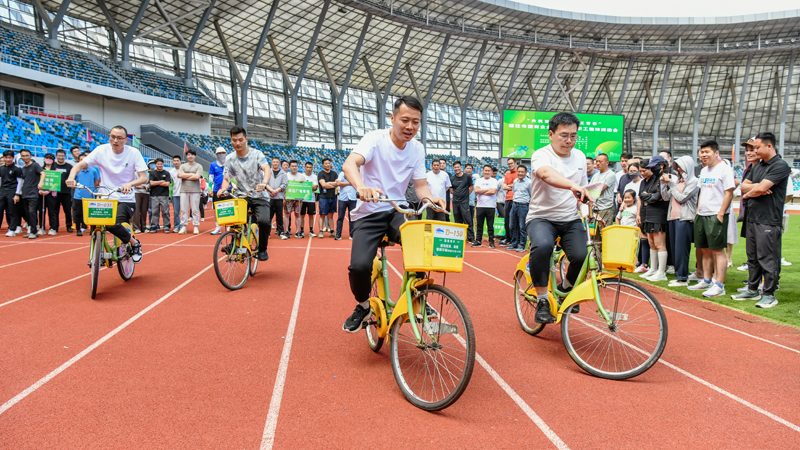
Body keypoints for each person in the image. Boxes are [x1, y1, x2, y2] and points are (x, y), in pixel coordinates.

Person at [340, 95, 445, 333]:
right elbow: (350, 164)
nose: (410, 127)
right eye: (405, 120)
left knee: (418, 243)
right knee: (359, 266)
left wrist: (430, 199)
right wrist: (361, 187)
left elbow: (420, 186)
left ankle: (418, 296)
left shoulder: (417, 149)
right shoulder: (375, 140)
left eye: (416, 122)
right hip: (369, 213)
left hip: (398, 210)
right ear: (393, 118)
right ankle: (363, 305)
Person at [526, 112, 592, 324]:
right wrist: (573, 185)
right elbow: (546, 174)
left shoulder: (580, 156)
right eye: (564, 135)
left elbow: (580, 193)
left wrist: (584, 207)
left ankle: (565, 288)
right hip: (541, 217)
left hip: (570, 218)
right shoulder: (541, 155)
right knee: (543, 246)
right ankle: (543, 300)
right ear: (551, 134)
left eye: (573, 136)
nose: (569, 140)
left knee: (583, 257)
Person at [66, 125, 146, 262]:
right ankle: (97, 251)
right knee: (95, 223)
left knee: (111, 224)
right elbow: (80, 165)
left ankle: (134, 243)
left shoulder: (133, 153)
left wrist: (130, 184)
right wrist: (71, 177)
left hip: (124, 198)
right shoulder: (101, 150)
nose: (115, 140)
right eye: (112, 137)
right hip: (104, 197)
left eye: (119, 138)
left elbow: (143, 177)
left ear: (126, 139)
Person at [732, 132, 791, 309]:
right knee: (753, 257)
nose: (754, 150)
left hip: (768, 219)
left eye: (757, 147)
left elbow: (760, 188)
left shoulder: (780, 165)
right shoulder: (758, 166)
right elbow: (743, 185)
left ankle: (769, 294)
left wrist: (752, 191)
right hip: (752, 218)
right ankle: (752, 288)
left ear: (769, 146)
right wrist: (754, 190)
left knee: (767, 258)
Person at [217, 125, 272, 261]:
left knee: (264, 221)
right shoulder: (229, 159)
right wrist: (223, 188)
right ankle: (233, 243)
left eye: (240, 140)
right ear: (231, 141)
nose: (237, 143)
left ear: (246, 139)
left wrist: (264, 183)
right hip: (242, 196)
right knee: (233, 217)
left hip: (259, 195)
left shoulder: (257, 154)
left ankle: (263, 249)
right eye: (234, 140)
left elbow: (266, 169)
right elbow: (226, 178)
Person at [688, 140, 735, 297]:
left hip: (716, 214)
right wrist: (698, 211)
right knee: (704, 249)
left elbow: (729, 193)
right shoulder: (704, 171)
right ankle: (706, 280)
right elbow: (702, 192)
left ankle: (719, 285)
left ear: (716, 153)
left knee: (717, 250)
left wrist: (721, 213)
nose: (703, 155)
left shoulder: (724, 169)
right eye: (701, 152)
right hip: (702, 214)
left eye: (707, 152)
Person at [664, 156, 699, 287]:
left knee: (682, 248)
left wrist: (671, 185)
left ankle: (683, 277)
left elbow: (681, 198)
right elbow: (666, 197)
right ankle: (679, 275)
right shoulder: (678, 181)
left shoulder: (694, 181)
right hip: (673, 217)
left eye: (681, 166)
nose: (678, 169)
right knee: (674, 248)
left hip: (684, 218)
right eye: (677, 167)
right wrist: (665, 184)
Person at [637, 156, 670, 282]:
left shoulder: (661, 178)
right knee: (651, 242)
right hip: (646, 213)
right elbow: (641, 195)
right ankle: (653, 269)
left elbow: (657, 197)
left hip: (658, 214)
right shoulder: (643, 182)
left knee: (659, 243)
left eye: (645, 170)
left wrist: (648, 196)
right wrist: (648, 197)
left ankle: (661, 271)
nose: (642, 173)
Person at [71, 152, 101, 237]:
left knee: (91, 214)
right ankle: (78, 229)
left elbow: (97, 181)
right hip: (78, 196)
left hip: (90, 196)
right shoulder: (76, 171)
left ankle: (92, 229)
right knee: (78, 213)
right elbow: (73, 182)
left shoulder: (93, 170)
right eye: (81, 160)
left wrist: (91, 189)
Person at [18, 150, 43, 239]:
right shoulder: (23, 168)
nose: (25, 157)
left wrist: (40, 183)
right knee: (27, 213)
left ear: (30, 156)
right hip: (24, 193)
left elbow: (43, 173)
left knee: (32, 212)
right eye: (23, 156)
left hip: (33, 193)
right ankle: (32, 230)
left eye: (27, 155)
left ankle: (34, 231)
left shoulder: (35, 165)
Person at [178, 149, 203, 235]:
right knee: (183, 209)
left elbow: (197, 177)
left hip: (195, 190)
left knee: (195, 209)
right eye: (188, 155)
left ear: (195, 156)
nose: (190, 156)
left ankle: (196, 226)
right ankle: (183, 226)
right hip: (184, 190)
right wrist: (192, 175)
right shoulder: (183, 166)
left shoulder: (199, 166)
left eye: (192, 155)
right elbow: (180, 175)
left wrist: (185, 175)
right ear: (186, 156)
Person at [507, 165, 531, 252]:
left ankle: (521, 245)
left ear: (526, 173)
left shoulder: (529, 182)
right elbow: (514, 191)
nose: (520, 173)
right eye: (519, 172)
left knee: (522, 226)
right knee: (512, 225)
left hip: (523, 205)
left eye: (522, 172)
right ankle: (514, 244)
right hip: (514, 204)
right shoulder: (515, 181)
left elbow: (531, 194)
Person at [472, 165, 497, 248]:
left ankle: (491, 242)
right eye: (485, 170)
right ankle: (478, 241)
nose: (487, 172)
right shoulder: (479, 180)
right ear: (483, 171)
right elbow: (476, 190)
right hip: (480, 206)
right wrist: (487, 189)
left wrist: (481, 190)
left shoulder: (494, 180)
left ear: (491, 172)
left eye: (488, 171)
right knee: (479, 225)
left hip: (490, 207)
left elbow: (493, 191)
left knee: (490, 226)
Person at [449, 160, 474, 242]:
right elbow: (451, 189)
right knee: (457, 220)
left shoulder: (467, 177)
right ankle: (459, 237)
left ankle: (470, 238)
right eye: (455, 167)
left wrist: (466, 195)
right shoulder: (452, 178)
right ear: (453, 168)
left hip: (464, 202)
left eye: (458, 167)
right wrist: (457, 194)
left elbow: (471, 187)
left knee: (468, 220)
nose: (457, 168)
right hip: (455, 202)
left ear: (461, 167)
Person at [51, 149, 74, 233]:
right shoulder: (53, 166)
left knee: (68, 210)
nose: (61, 157)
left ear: (65, 156)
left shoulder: (69, 166)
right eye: (59, 156)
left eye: (62, 156)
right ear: (56, 156)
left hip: (66, 192)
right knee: (55, 210)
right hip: (55, 192)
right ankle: (55, 226)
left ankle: (69, 226)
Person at [281, 160, 306, 239]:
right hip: (288, 198)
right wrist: (283, 198)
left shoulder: (302, 176)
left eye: (295, 166)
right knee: (287, 214)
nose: (294, 167)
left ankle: (298, 231)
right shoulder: (286, 175)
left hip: (298, 198)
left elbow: (305, 187)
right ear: (289, 167)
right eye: (292, 166)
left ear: (297, 167)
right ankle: (287, 231)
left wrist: (303, 183)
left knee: (297, 215)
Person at [1, 150, 23, 236]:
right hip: (2, 191)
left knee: (12, 211)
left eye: (9, 157)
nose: (8, 159)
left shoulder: (17, 169)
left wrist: (17, 194)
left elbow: (20, 182)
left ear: (13, 158)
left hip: (12, 191)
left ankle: (12, 229)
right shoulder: (1, 168)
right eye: (6, 158)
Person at [147, 158, 171, 233]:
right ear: (155, 164)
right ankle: (154, 226)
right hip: (154, 195)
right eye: (158, 164)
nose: (159, 165)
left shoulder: (167, 173)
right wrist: (161, 181)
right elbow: (151, 183)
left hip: (164, 195)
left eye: (161, 164)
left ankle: (166, 226)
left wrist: (156, 183)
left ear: (163, 164)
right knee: (154, 211)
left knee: (165, 211)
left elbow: (167, 184)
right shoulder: (152, 173)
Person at [592, 153, 617, 229]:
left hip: (605, 208)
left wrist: (595, 190)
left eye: (600, 161)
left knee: (604, 232)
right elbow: (590, 190)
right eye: (597, 161)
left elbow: (599, 189)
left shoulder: (610, 174)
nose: (598, 163)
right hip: (594, 207)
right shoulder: (595, 175)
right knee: (594, 233)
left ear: (607, 163)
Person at [266, 156, 288, 239]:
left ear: (279, 163)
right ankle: (267, 233)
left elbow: (284, 185)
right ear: (271, 162)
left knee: (279, 216)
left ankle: (281, 232)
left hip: (279, 197)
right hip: (269, 197)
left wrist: (276, 191)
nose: (275, 163)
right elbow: (265, 183)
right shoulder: (268, 172)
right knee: (268, 216)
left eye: (277, 162)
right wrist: (271, 190)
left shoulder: (283, 173)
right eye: (274, 162)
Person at [209, 147, 228, 235]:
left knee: (229, 208)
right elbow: (210, 178)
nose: (221, 155)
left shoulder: (229, 164)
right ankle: (218, 227)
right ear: (216, 154)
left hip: (228, 189)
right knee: (217, 209)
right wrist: (210, 189)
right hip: (217, 190)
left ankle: (229, 227)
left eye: (223, 153)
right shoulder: (213, 165)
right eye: (219, 153)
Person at [317, 158, 337, 238]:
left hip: (333, 197)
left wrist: (328, 183)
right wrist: (332, 184)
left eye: (329, 163)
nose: (328, 165)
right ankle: (321, 231)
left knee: (331, 215)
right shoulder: (320, 174)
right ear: (323, 165)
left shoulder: (334, 173)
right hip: (323, 197)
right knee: (322, 215)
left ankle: (332, 231)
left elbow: (337, 184)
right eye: (326, 163)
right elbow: (323, 185)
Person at [335, 169, 357, 240]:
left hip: (353, 198)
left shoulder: (356, 173)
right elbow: (338, 183)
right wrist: (350, 183)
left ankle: (352, 234)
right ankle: (338, 235)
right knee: (340, 217)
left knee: (352, 218)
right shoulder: (342, 173)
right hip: (343, 198)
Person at [298, 161, 318, 238]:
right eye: (307, 167)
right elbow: (298, 186)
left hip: (311, 199)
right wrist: (309, 186)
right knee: (302, 215)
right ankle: (302, 230)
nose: (309, 169)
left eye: (310, 167)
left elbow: (315, 188)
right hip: (302, 199)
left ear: (312, 168)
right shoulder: (301, 176)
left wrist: (305, 185)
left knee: (311, 216)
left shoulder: (315, 177)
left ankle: (311, 230)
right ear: (305, 168)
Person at [501, 158, 518, 245]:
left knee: (516, 220)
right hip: (508, 199)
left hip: (516, 199)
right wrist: (512, 186)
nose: (510, 165)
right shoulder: (507, 175)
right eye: (508, 164)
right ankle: (508, 238)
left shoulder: (519, 173)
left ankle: (516, 240)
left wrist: (511, 186)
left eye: (511, 163)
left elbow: (518, 186)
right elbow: (504, 187)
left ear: (515, 163)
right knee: (507, 220)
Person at [131, 165, 150, 234]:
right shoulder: (135, 174)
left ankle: (143, 227)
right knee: (136, 210)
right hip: (137, 193)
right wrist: (144, 187)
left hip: (146, 193)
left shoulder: (148, 174)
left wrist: (146, 187)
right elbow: (135, 185)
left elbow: (150, 184)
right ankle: (136, 227)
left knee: (144, 210)